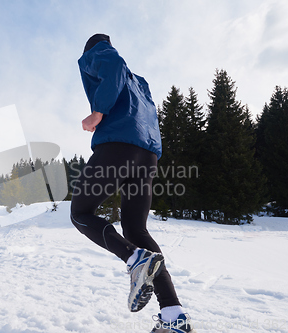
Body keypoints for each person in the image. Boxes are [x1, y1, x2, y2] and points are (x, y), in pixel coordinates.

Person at [70, 34, 195, 333]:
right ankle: (172, 315)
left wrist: (98, 112)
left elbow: (111, 65)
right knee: (136, 230)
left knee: (79, 212)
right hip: (147, 154)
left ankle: (132, 258)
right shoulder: (140, 82)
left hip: (118, 146)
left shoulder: (101, 54)